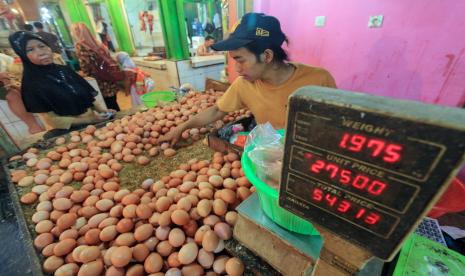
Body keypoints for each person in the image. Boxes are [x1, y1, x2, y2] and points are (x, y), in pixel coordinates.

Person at [160, 13, 336, 146]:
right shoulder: (244, 84)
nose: (236, 69)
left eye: (240, 59)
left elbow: (335, 127)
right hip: (270, 154)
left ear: (266, 56)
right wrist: (181, 128)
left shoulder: (318, 80)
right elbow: (216, 111)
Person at [8, 31, 112, 131]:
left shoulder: (65, 70)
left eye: (41, 46)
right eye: (30, 50)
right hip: (71, 131)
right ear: (23, 56)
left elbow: (89, 97)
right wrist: (88, 120)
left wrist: (103, 111)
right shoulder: (32, 84)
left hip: (94, 123)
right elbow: (52, 120)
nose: (40, 52)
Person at [70, 23, 121, 111]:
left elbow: (85, 67)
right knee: (113, 103)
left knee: (107, 107)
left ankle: (116, 122)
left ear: (75, 33)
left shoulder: (80, 46)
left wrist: (81, 74)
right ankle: (121, 120)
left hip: (100, 82)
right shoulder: (98, 43)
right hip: (109, 79)